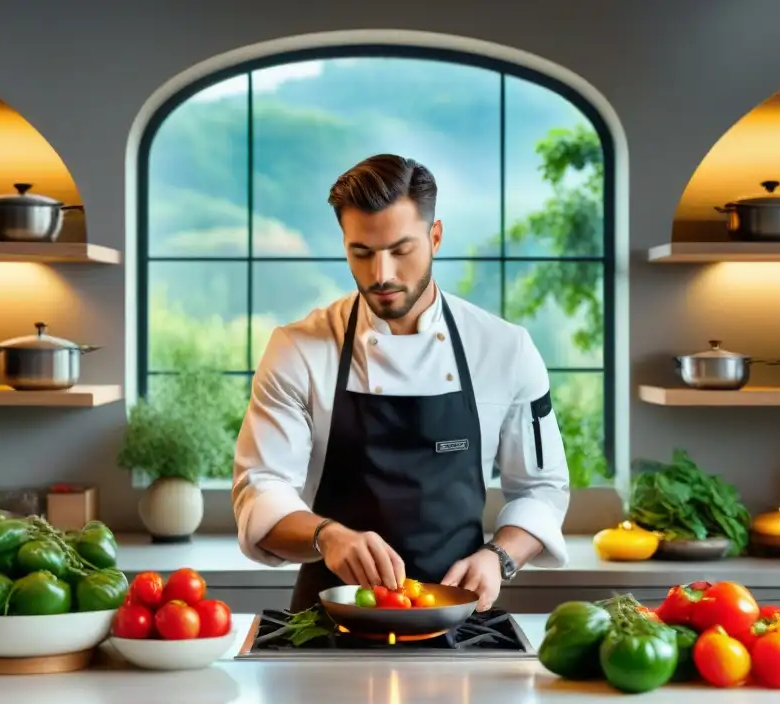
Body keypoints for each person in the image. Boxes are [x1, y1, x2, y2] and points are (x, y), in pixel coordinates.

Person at [232, 153, 570, 613]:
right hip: (325, 621)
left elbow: (541, 490)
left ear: (435, 237)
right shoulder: (298, 349)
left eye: (400, 250)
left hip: (460, 619)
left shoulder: (505, 349)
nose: (381, 275)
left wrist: (499, 558)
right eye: (362, 253)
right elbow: (261, 489)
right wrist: (326, 536)